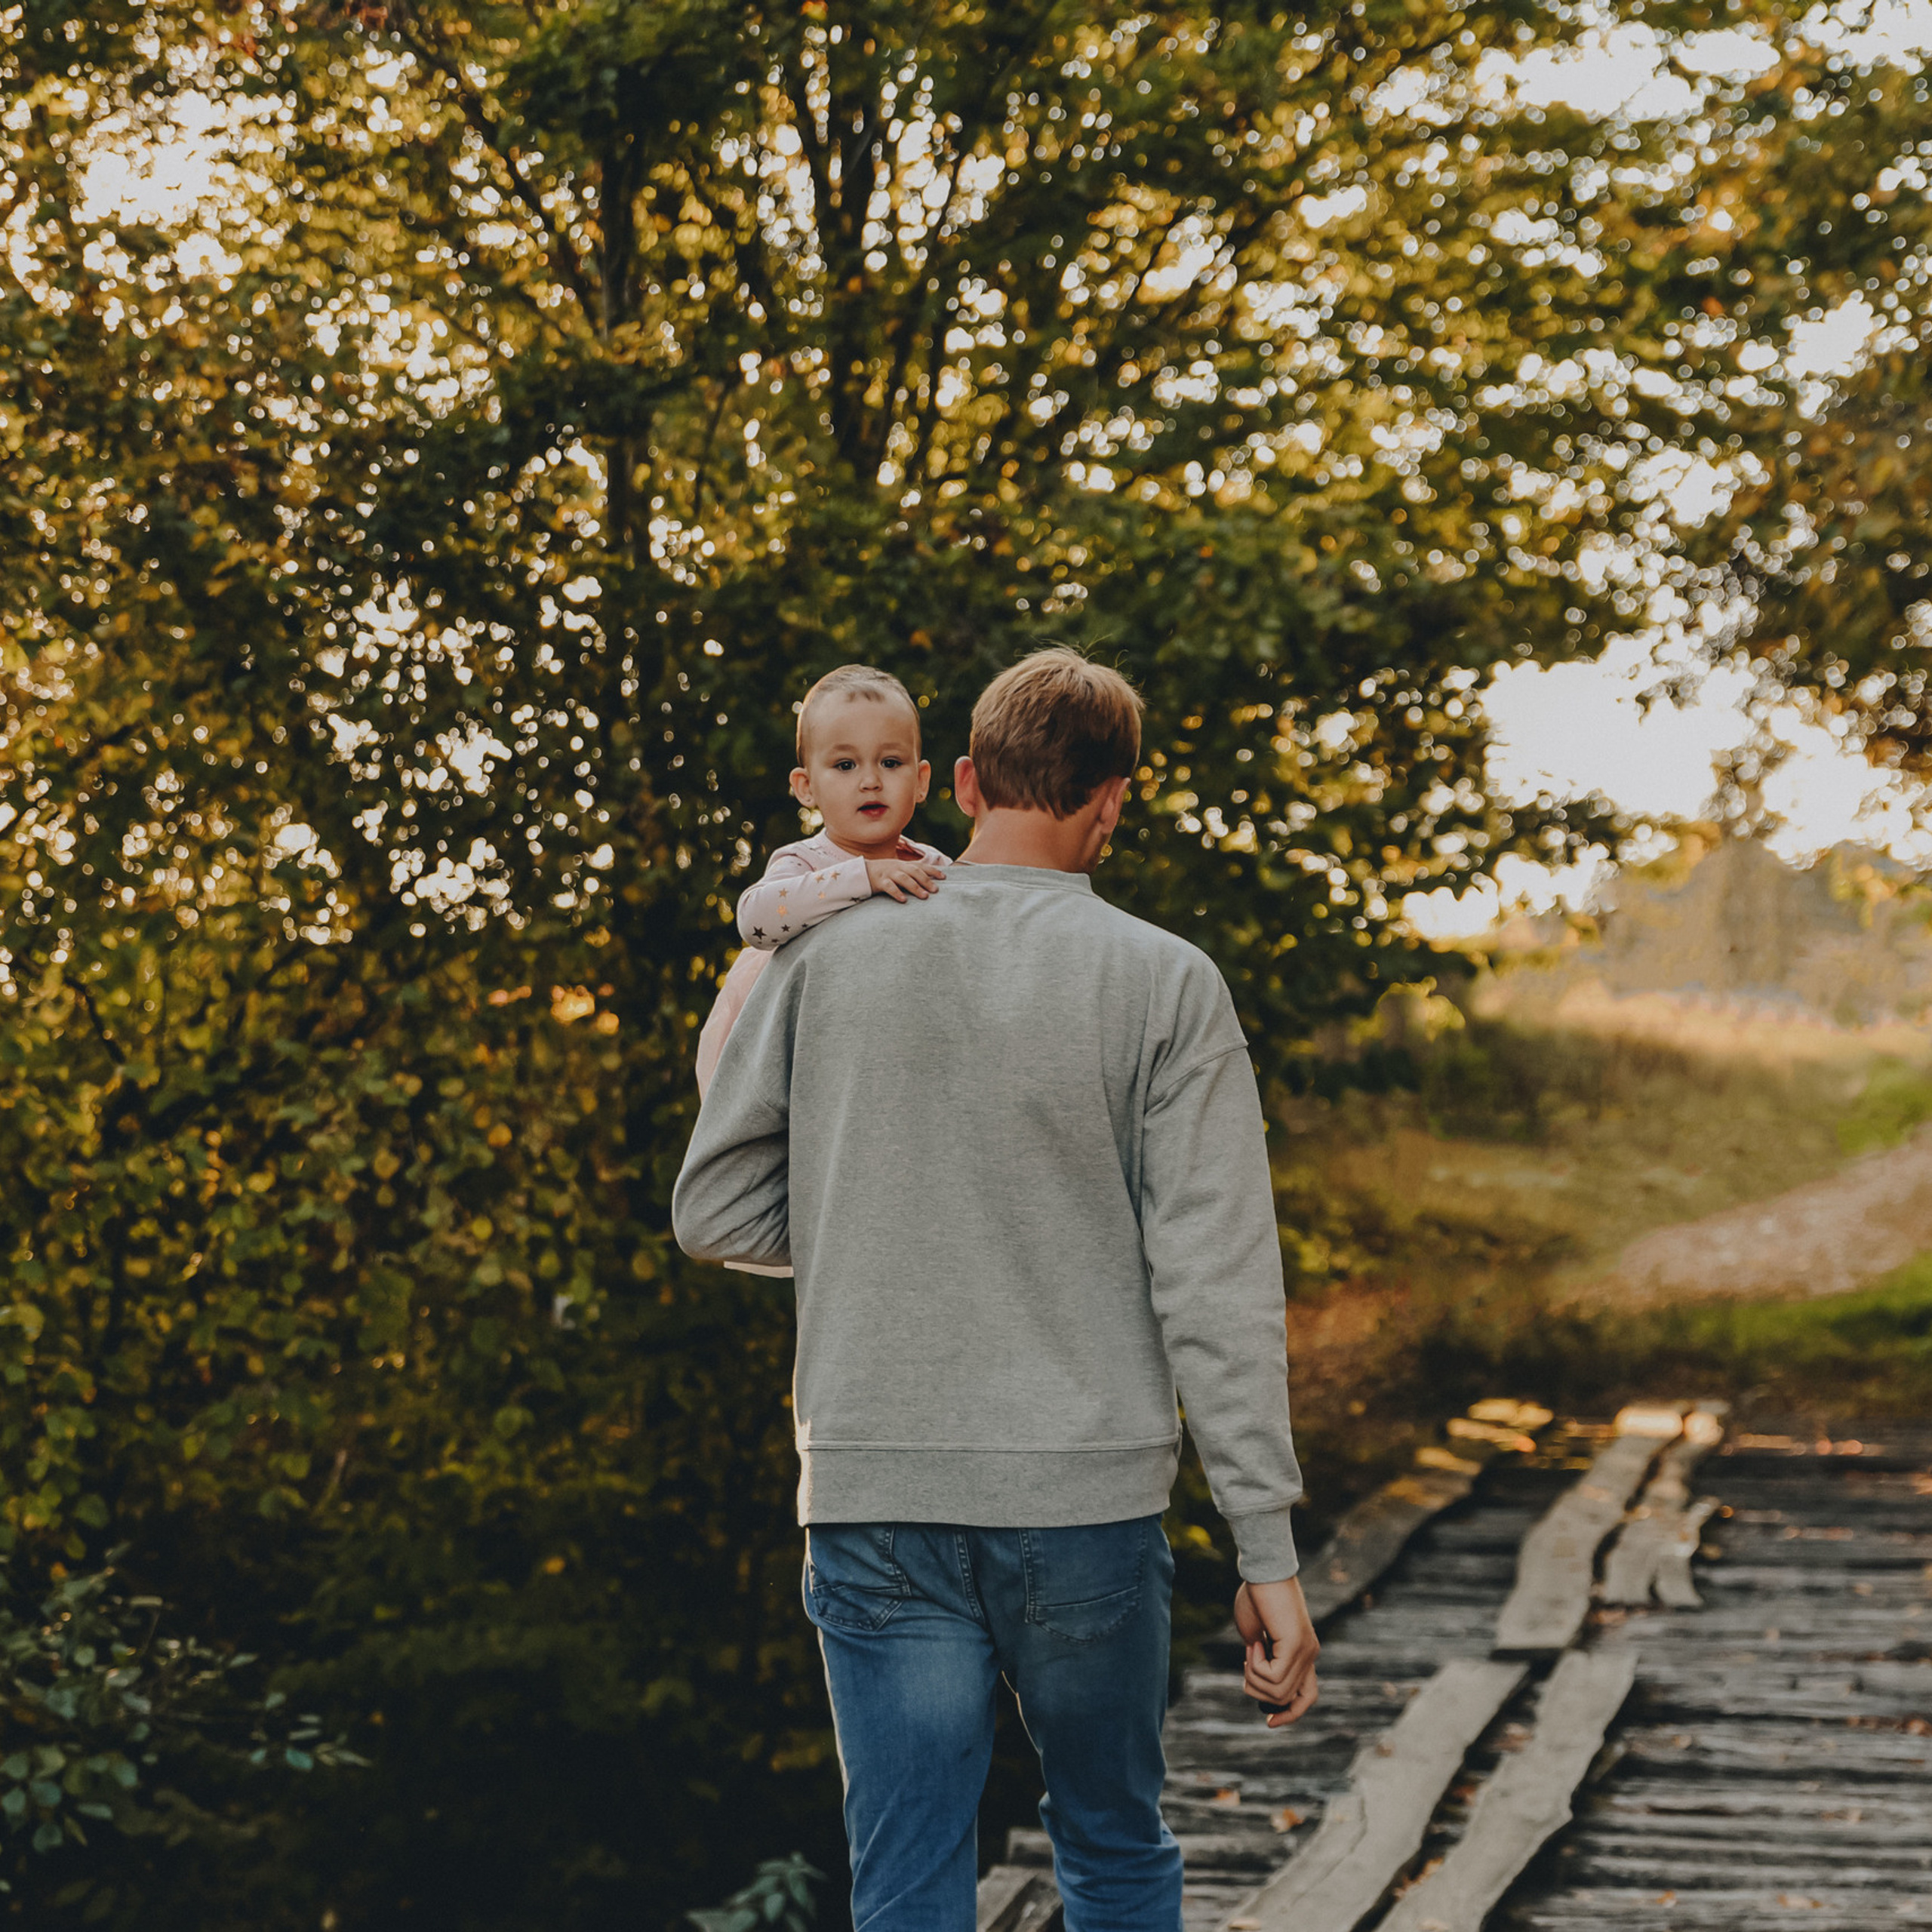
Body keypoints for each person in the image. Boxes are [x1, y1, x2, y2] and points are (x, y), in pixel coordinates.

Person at [673, 648, 1318, 1932]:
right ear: (1112, 802)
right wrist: (1268, 1547)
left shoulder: (825, 956)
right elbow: (1217, 1283)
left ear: (959, 779)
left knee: (907, 1880)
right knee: (1114, 1849)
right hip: (1086, 1500)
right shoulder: (1164, 979)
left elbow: (713, 1211)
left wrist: (887, 1231)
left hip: (874, 1488)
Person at [693, 663, 949, 1102]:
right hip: (789, 1063)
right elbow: (755, 916)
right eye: (845, 765)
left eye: (890, 762)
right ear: (806, 787)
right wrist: (863, 876)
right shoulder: (806, 863)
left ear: (921, 781)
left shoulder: (932, 865)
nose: (870, 781)